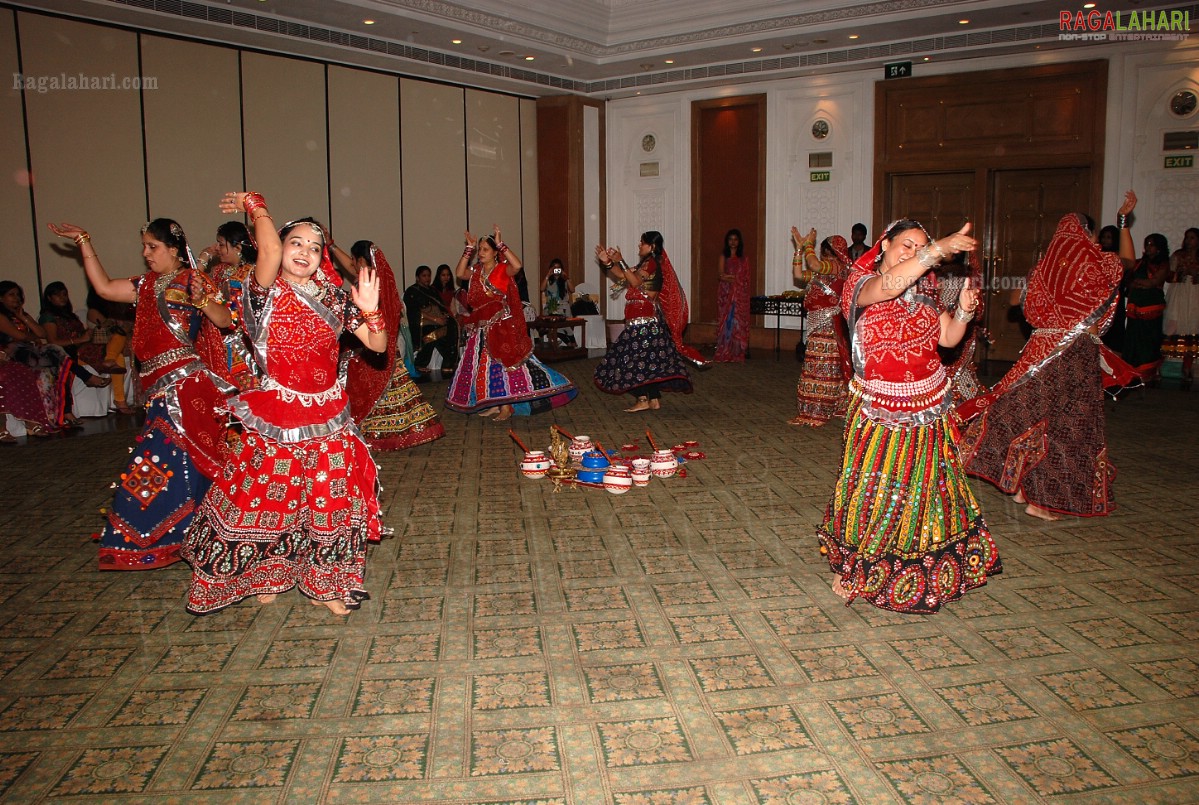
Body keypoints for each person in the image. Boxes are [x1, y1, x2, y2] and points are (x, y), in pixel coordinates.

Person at [183, 195, 384, 615]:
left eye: (315, 247)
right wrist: (256, 206)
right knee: (270, 496)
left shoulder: (332, 297)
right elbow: (269, 250)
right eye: (297, 242)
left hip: (328, 414)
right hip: (277, 412)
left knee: (329, 498)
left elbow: (378, 347)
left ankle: (329, 583)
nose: (305, 252)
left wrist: (370, 313)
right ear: (278, 246)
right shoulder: (261, 291)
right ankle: (267, 572)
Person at [817, 219, 1001, 614]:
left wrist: (965, 313)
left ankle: (919, 566)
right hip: (881, 411)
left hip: (931, 405)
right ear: (884, 244)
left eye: (921, 247)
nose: (914, 253)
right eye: (906, 245)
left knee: (926, 490)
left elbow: (948, 339)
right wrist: (937, 249)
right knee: (873, 488)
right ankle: (855, 564)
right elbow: (889, 286)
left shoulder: (923, 292)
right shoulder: (860, 284)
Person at [48, 218, 234, 569]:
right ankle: (186, 536)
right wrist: (84, 240)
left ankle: (159, 535)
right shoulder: (144, 285)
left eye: (153, 247)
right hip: (159, 389)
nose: (146, 254)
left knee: (173, 460)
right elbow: (103, 288)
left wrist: (204, 300)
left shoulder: (192, 280)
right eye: (144, 247)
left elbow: (224, 320)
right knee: (176, 463)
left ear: (174, 250)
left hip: (184, 388)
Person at [959, 198, 1138, 522]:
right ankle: (1040, 501)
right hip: (1075, 353)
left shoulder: (1044, 267)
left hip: (1041, 348)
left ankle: (1019, 487)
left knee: (1027, 414)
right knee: (1070, 428)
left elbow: (1017, 299)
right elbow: (1127, 262)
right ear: (1088, 235)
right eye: (1094, 237)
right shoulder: (1098, 263)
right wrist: (1123, 222)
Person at [445, 226, 577, 420]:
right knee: (484, 367)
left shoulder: (502, 270)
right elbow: (459, 272)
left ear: (495, 253)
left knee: (501, 366)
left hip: (501, 326)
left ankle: (506, 407)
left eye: (485, 249)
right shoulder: (477, 271)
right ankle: (494, 403)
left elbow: (518, 265)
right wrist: (469, 249)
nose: (480, 253)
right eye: (479, 249)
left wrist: (501, 244)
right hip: (481, 328)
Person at [335, 239, 446, 450]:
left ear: (360, 261)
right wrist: (331, 246)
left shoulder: (368, 283)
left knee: (377, 389)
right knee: (394, 390)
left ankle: (380, 431)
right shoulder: (378, 279)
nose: (351, 264)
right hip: (382, 344)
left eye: (353, 260)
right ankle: (405, 427)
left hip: (370, 343)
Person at [593, 231, 695, 412]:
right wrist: (607, 261)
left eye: (642, 243)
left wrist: (621, 260)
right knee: (647, 361)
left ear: (652, 246)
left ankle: (642, 399)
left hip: (643, 322)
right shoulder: (645, 264)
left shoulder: (652, 263)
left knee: (628, 360)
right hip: (640, 320)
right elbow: (622, 276)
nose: (639, 245)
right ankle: (654, 399)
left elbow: (634, 282)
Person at [788, 227, 851, 426]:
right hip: (817, 323)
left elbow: (814, 264)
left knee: (826, 366)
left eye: (825, 251)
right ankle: (815, 409)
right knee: (816, 365)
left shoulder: (839, 267)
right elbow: (798, 275)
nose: (824, 256)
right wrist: (799, 249)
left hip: (830, 325)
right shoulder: (822, 273)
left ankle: (822, 408)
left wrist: (808, 246)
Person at [0, 280, 74, 433]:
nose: (16, 298)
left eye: (18, 295)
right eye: (11, 295)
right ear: (0, 298)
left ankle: (54, 417)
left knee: (53, 362)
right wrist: (31, 337)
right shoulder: (1, 317)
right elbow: (19, 336)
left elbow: (41, 334)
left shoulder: (21, 314)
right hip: (14, 354)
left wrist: (23, 317)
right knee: (54, 357)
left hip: (29, 352)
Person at [195, 221, 259, 391]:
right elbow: (191, 284)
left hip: (242, 343)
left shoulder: (253, 273)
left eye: (222, 244)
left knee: (246, 393)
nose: (217, 248)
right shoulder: (220, 271)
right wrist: (203, 259)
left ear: (237, 247)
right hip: (217, 341)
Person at [38, 281, 112, 426]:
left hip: (77, 350)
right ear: (49, 298)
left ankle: (101, 368)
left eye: (64, 294)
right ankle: (70, 408)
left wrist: (87, 335)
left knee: (106, 346)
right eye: (57, 295)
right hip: (60, 353)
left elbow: (81, 336)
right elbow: (53, 341)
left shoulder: (70, 316)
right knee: (65, 365)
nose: (62, 298)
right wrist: (79, 339)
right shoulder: (48, 316)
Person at [1122, 232, 1169, 380]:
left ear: (1159, 248)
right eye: (1147, 244)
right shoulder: (1139, 263)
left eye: (1152, 245)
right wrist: (1135, 284)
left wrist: (1139, 284)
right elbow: (1128, 280)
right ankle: (1131, 370)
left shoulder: (1163, 264)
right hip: (1135, 306)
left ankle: (1148, 372)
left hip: (1151, 306)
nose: (1148, 248)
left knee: (1149, 338)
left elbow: (1153, 282)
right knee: (1133, 336)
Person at [403, 264, 458, 377]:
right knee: (433, 332)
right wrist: (435, 319)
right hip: (421, 322)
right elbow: (414, 312)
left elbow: (440, 307)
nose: (427, 278)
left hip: (436, 320)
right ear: (417, 277)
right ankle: (420, 362)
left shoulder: (431, 291)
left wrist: (443, 317)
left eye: (428, 275)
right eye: (424, 276)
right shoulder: (411, 291)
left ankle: (449, 362)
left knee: (452, 325)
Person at [714, 228, 751, 362]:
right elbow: (720, 276)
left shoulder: (744, 259)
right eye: (730, 239)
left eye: (735, 239)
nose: (733, 242)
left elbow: (745, 278)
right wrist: (733, 278)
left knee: (737, 323)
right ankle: (725, 351)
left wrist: (732, 278)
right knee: (727, 321)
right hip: (726, 294)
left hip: (740, 296)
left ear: (739, 241)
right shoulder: (724, 257)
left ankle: (736, 352)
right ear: (727, 241)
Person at [1166, 227, 1199, 344]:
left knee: (1194, 323)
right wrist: (1180, 273)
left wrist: (1195, 273)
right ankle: (1169, 356)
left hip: (1195, 294)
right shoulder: (1178, 255)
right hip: (1179, 293)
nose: (1188, 241)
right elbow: (1168, 277)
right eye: (1187, 237)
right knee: (1173, 322)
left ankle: (1190, 358)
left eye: (1192, 238)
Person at [539, 257, 576, 346]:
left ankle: (571, 343)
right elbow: (542, 288)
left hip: (563, 308)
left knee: (565, 325)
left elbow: (572, 290)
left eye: (558, 268)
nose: (556, 270)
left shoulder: (564, 280)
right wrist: (548, 275)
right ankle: (571, 343)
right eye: (554, 268)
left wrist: (567, 278)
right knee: (555, 326)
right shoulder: (548, 280)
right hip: (552, 308)